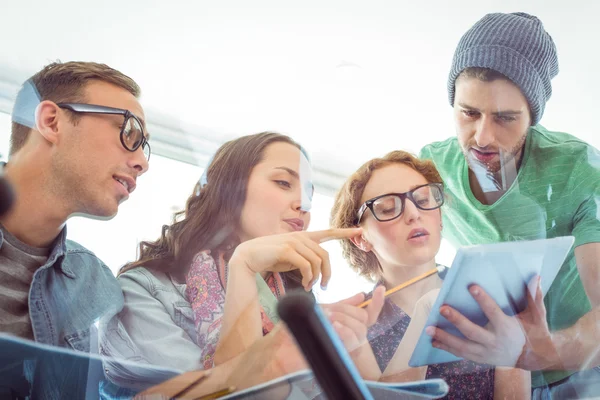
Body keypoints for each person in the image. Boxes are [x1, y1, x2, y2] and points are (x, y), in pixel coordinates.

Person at [101, 131, 384, 383]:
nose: (303, 205)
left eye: (308, 194)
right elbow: (213, 393)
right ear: (230, 187)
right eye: (284, 182)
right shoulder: (143, 290)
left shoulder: (296, 300)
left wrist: (357, 348)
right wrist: (244, 263)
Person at [418, 12, 600, 397]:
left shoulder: (581, 170)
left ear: (532, 116)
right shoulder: (432, 169)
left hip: (582, 370)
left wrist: (543, 350)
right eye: (469, 113)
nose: (482, 137)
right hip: (489, 373)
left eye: (505, 118)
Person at [0, 61, 149, 399]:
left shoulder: (99, 287)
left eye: (145, 145)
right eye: (130, 133)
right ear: (52, 122)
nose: (143, 161)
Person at [330, 150, 530, 399]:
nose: (414, 214)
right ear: (361, 238)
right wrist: (421, 324)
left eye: (424, 200)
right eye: (388, 207)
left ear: (440, 218)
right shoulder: (352, 328)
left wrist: (517, 354)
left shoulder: (488, 300)